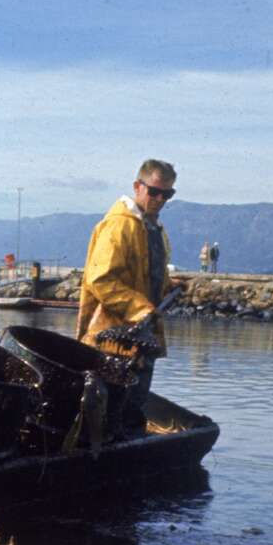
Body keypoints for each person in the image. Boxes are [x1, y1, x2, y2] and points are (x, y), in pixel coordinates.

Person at [77, 159, 178, 431]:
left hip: (142, 342)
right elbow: (101, 279)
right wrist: (140, 309)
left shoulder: (154, 229)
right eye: (154, 191)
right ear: (137, 186)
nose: (159, 199)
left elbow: (148, 276)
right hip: (110, 340)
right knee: (107, 414)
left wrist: (169, 287)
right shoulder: (119, 226)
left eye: (167, 194)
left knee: (131, 408)